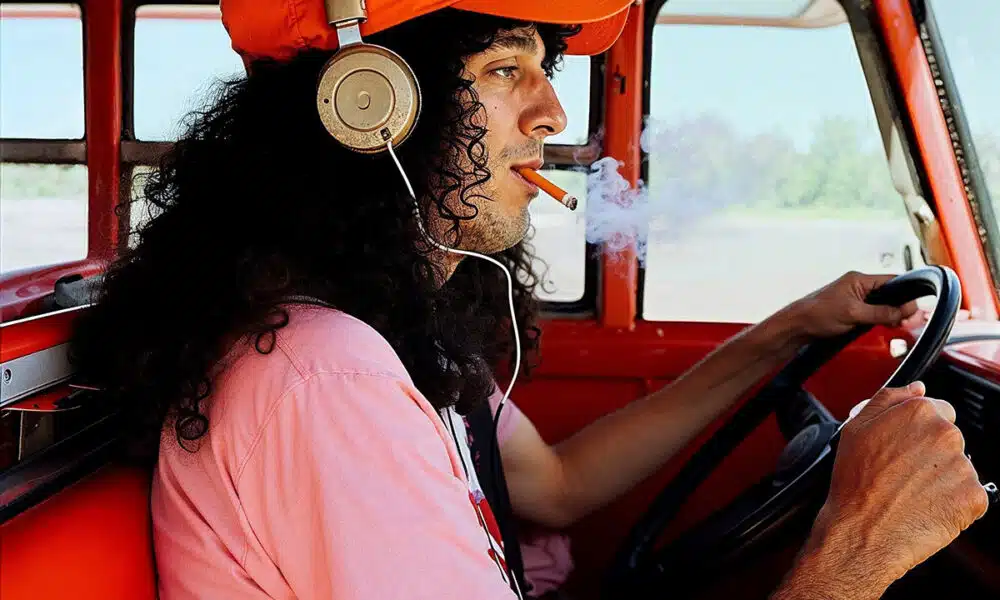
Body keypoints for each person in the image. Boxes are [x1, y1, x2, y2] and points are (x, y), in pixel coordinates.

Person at [68, 1, 990, 598]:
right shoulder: (326, 379)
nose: (552, 114)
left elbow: (558, 486)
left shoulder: (384, 338)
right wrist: (860, 547)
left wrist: (792, 330)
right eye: (505, 70)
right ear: (371, 107)